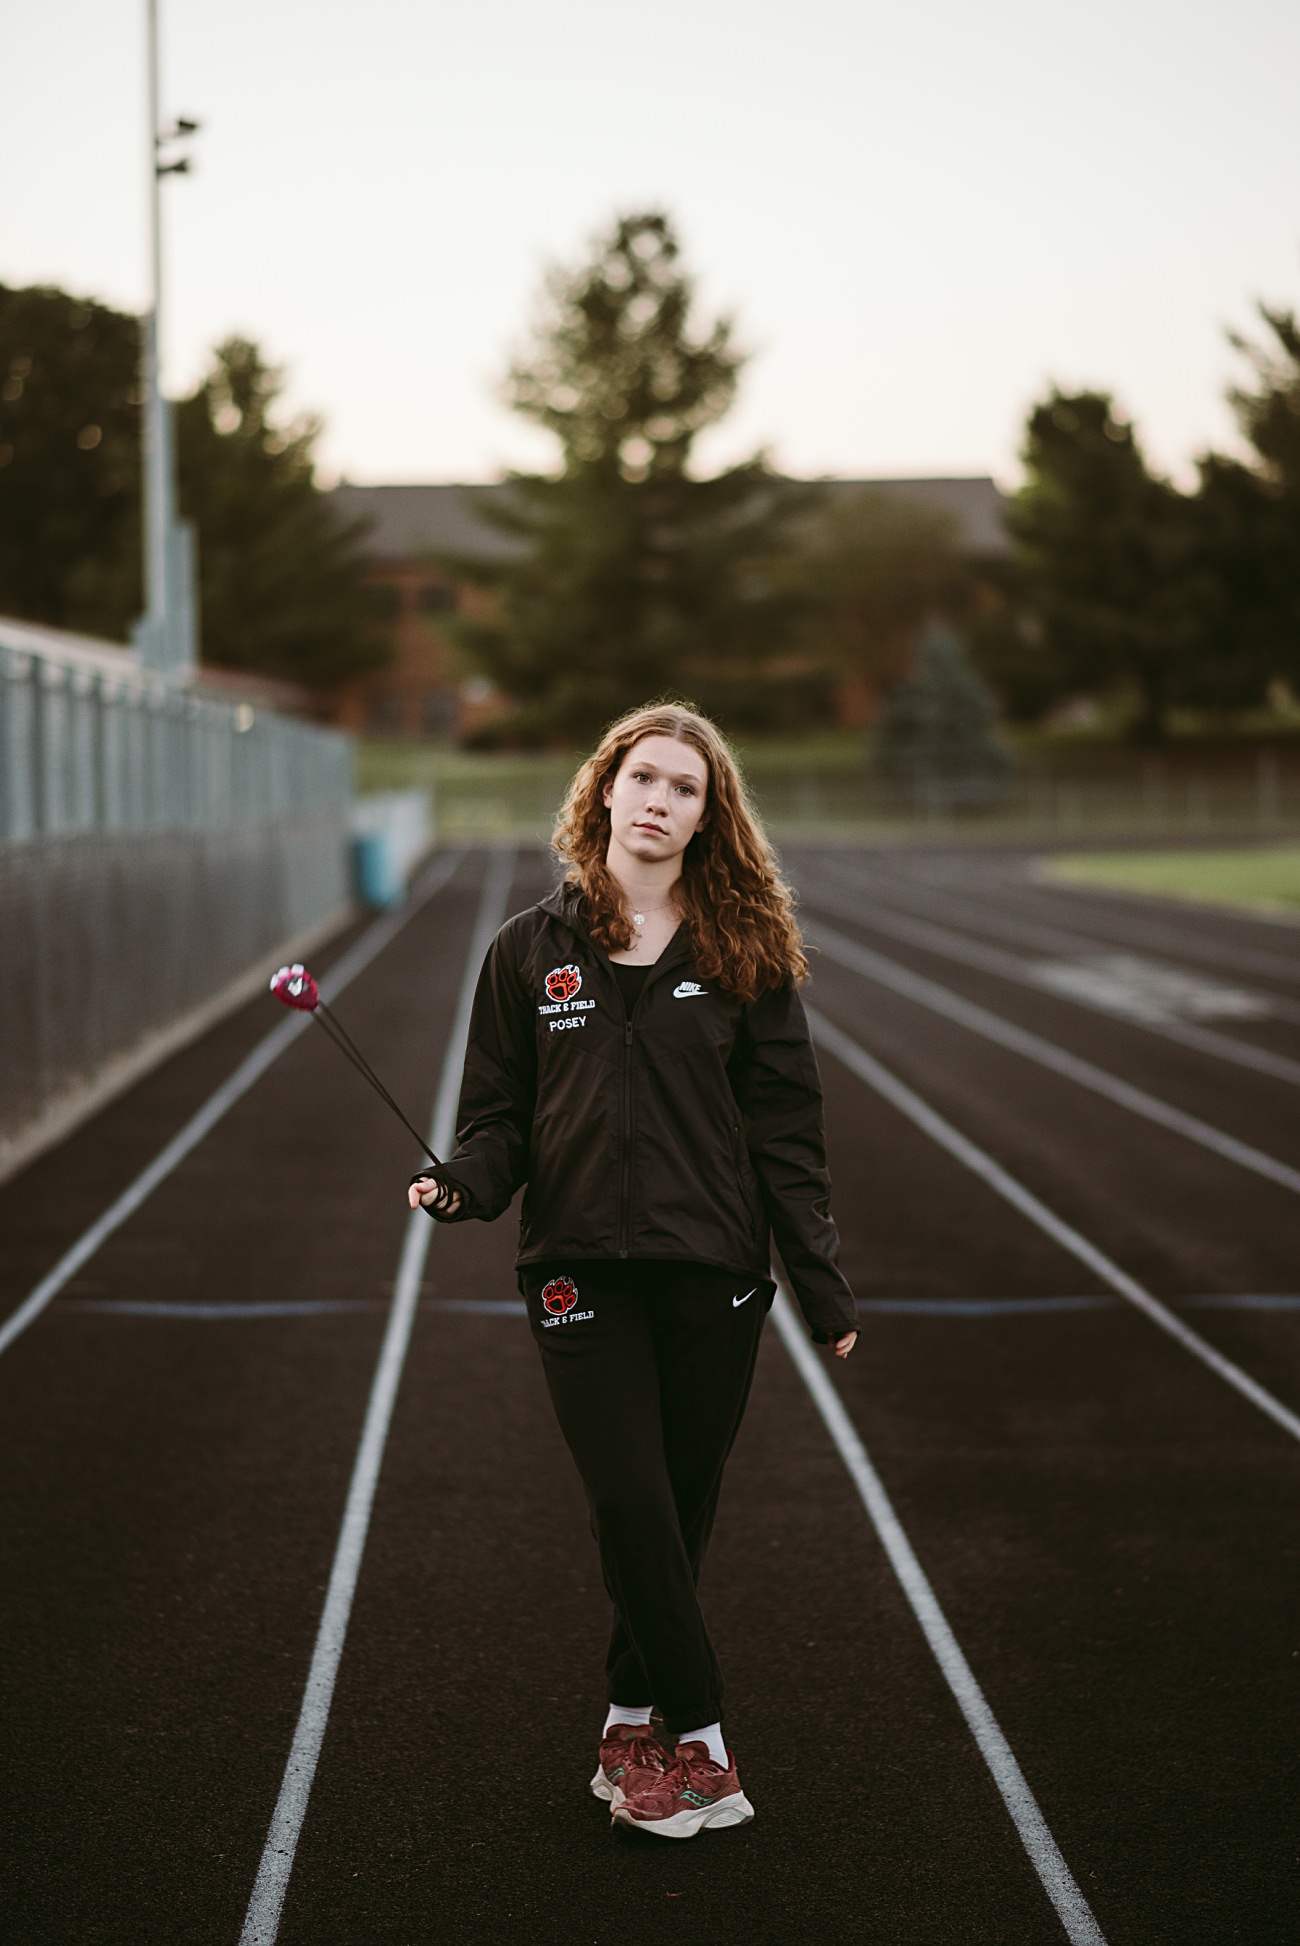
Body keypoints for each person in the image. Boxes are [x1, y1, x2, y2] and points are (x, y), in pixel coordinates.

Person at [408, 702, 857, 1839]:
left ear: (710, 815)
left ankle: (624, 1723)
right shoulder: (527, 949)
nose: (659, 800)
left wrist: (817, 1278)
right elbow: (499, 1116)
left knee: (676, 1509)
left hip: (714, 1270)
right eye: (643, 777)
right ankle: (700, 1739)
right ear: (603, 788)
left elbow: (786, 1134)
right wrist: (463, 1179)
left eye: (685, 787)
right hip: (577, 1272)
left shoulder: (746, 953)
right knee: (628, 1495)